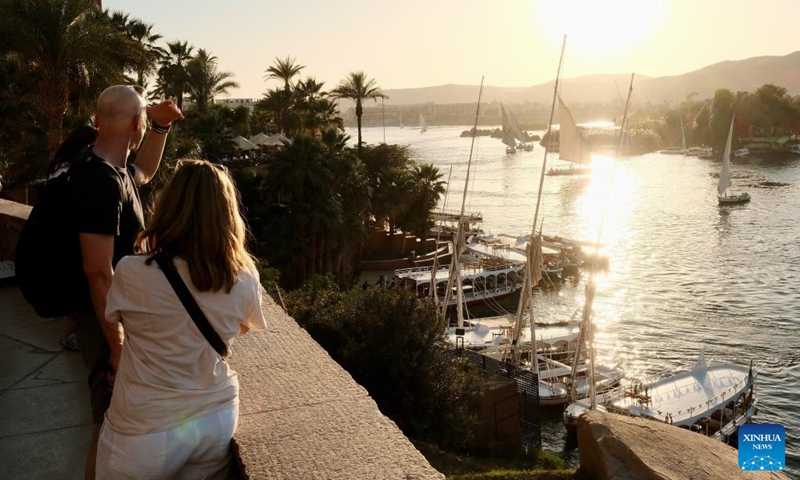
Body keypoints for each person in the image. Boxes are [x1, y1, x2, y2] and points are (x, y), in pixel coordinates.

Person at [95, 159, 267, 479]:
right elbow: (240, 327)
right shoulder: (244, 277)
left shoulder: (132, 272)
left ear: (169, 206)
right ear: (226, 213)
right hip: (215, 417)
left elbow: (116, 317)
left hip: (144, 427)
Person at [70, 85, 183, 480]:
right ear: (135, 123)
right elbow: (97, 271)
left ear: (98, 122)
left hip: (107, 318)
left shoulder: (109, 170)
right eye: (145, 122)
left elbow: (145, 172)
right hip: (102, 321)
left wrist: (161, 127)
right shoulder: (100, 182)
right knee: (107, 428)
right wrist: (117, 347)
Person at [47, 125, 99, 352]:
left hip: (71, 239)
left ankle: (69, 335)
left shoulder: (64, 167)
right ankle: (67, 336)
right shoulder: (66, 170)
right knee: (80, 298)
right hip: (69, 240)